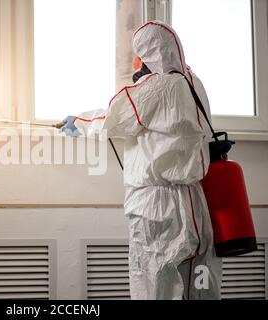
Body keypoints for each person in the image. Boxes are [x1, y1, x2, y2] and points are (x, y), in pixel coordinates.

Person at [58, 21, 222, 300]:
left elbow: (113, 117)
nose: (136, 61)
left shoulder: (155, 87)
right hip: (195, 199)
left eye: (139, 53)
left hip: (156, 206)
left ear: (149, 53)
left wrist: (79, 121)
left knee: (154, 277)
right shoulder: (194, 83)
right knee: (199, 280)